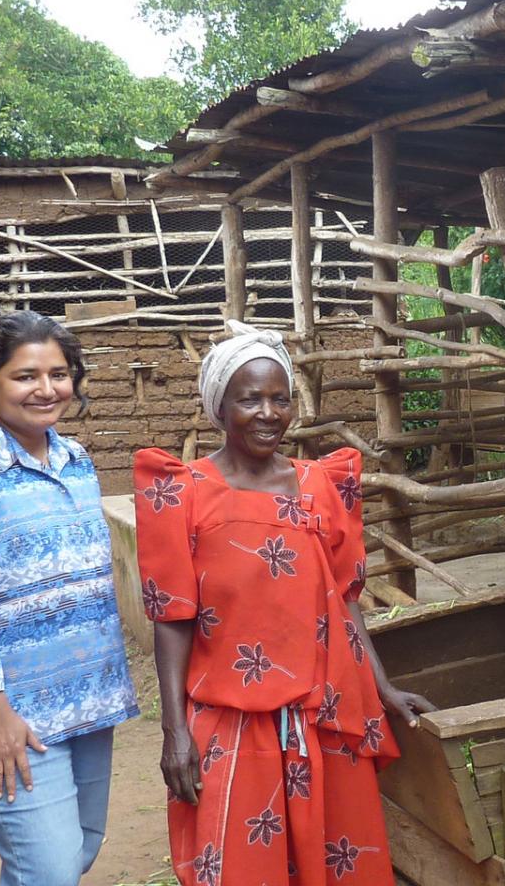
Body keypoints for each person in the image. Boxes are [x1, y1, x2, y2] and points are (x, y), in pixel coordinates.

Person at [134, 320, 434, 886]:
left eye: (280, 398)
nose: (268, 413)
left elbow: (344, 602)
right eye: (250, 400)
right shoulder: (184, 492)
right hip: (232, 721)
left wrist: (382, 685)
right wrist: (175, 732)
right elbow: (172, 618)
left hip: (322, 715)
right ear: (218, 407)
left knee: (333, 863)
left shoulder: (321, 484)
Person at [0, 311, 140, 886]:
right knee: (51, 868)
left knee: (79, 850)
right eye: (25, 376)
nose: (46, 390)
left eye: (59, 374)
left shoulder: (76, 462)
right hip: (11, 715)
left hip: (84, 700)